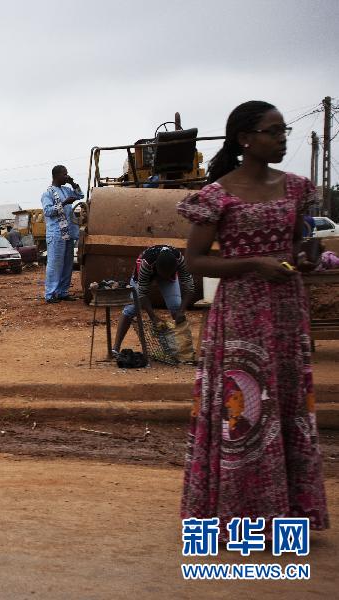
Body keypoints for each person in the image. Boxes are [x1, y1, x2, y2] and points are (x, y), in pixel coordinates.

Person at [178, 101, 328, 535]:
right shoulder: (216, 195)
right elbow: (195, 262)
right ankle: (239, 514)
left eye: (283, 131)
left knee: (285, 402)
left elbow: (304, 244)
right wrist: (254, 264)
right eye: (273, 131)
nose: (282, 138)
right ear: (245, 139)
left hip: (285, 310)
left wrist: (308, 253)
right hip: (241, 313)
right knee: (246, 407)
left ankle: (288, 513)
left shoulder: (298, 188)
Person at [111, 245, 194, 354]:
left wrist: (181, 311)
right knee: (131, 308)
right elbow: (141, 295)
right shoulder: (145, 264)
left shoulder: (180, 260)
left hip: (169, 274)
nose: (163, 278)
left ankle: (184, 350)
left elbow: (190, 288)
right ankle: (115, 348)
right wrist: (153, 317)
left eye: (168, 274)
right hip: (145, 274)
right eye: (163, 275)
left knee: (176, 306)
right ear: (157, 269)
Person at [40, 165, 83, 303]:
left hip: (69, 233)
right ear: (56, 175)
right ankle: (50, 294)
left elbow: (80, 195)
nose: (66, 176)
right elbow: (48, 211)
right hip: (56, 234)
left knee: (67, 264)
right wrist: (64, 203)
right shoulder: (48, 193)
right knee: (55, 264)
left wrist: (72, 183)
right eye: (64, 174)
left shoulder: (66, 189)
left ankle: (62, 292)